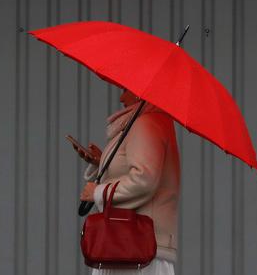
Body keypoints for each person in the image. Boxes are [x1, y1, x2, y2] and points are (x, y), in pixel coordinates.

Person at [73, 88, 181, 275]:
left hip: (135, 249)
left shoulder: (146, 124)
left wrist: (98, 192)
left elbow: (144, 179)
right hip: (134, 247)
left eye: (125, 90)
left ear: (140, 93)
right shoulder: (149, 123)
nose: (121, 97)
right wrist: (102, 162)